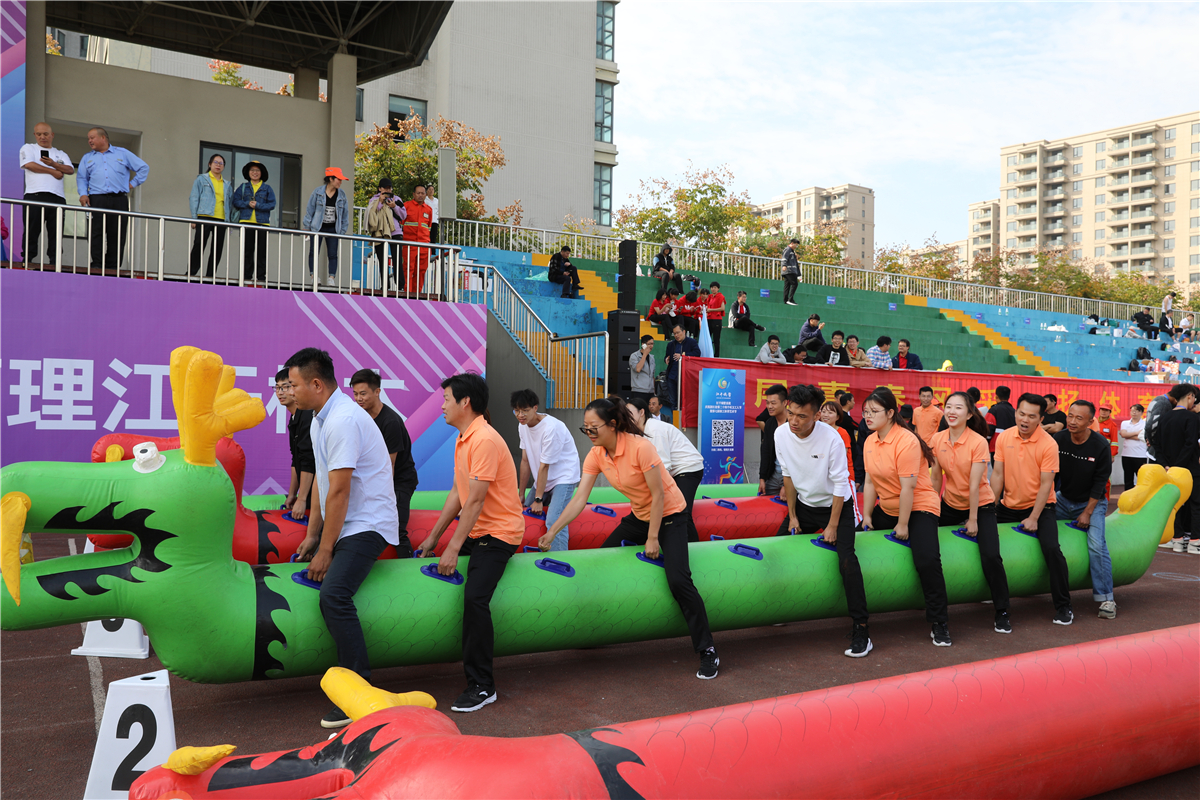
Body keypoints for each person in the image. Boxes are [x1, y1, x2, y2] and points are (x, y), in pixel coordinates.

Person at [540, 397, 720, 679]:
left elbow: (659, 495)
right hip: (639, 516)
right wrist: (552, 530)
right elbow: (579, 499)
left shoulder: (641, 448)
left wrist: (652, 537)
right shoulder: (596, 454)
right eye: (585, 428)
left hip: (670, 516)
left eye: (594, 427)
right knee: (601, 561)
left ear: (612, 425)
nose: (589, 433)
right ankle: (600, 630)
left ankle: (707, 649)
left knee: (678, 580)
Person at [287, 348, 398, 728]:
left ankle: (360, 690)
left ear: (316, 384)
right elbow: (322, 483)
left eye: (294, 385)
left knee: (334, 595)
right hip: (346, 522)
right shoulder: (319, 419)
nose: (290, 391)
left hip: (368, 523)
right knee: (320, 579)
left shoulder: (343, 420)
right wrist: (312, 535)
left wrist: (326, 550)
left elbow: (340, 491)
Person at [418, 374, 525, 712]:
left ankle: (482, 686)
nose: (442, 405)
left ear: (465, 402)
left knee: (476, 598)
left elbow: (475, 501)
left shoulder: (484, 439)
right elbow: (458, 492)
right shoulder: (464, 437)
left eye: (446, 399)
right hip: (477, 531)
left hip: (499, 533)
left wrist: (453, 548)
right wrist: (434, 538)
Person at [774, 385, 870, 656]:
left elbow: (841, 484)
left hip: (836, 506)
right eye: (791, 413)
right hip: (805, 505)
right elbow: (788, 475)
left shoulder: (832, 439)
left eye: (802, 416)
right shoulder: (781, 433)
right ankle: (780, 608)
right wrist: (793, 516)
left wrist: (832, 525)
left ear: (817, 416)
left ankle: (861, 627)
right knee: (777, 549)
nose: (794, 421)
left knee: (847, 561)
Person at [860, 388, 951, 646]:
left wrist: (902, 524)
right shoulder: (869, 441)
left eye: (874, 411)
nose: (868, 416)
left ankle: (939, 622)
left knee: (927, 559)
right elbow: (869, 482)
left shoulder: (906, 440)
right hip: (889, 506)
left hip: (919, 506)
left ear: (890, 413)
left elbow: (908, 489)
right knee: (853, 541)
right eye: (865, 412)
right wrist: (867, 516)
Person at [930, 392, 1012, 633]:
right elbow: (936, 478)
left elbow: (975, 485)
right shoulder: (937, 439)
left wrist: (973, 519)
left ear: (969, 414)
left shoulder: (978, 442)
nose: (951, 411)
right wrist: (932, 509)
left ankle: (1002, 610)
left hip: (981, 504)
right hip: (950, 503)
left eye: (958, 408)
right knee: (926, 544)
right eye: (948, 406)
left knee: (991, 556)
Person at [991, 393, 1072, 625]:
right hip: (1008, 505)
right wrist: (989, 507)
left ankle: (1064, 605)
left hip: (1040, 507)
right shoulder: (1004, 437)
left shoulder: (1049, 444)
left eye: (1032, 416)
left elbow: (1047, 485)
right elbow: (997, 475)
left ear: (1041, 419)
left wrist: (1034, 517)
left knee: (1052, 549)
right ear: (1015, 412)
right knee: (988, 546)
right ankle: (998, 602)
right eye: (1021, 414)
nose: (1025, 420)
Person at [1053, 400, 1116, 619]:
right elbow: (1052, 474)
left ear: (1090, 422)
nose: (1072, 421)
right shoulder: (1059, 439)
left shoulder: (1100, 445)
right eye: (1070, 415)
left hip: (1092, 502)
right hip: (1063, 499)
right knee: (1038, 532)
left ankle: (1106, 598)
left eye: (1079, 418)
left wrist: (1087, 512)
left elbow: (1100, 483)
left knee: (1097, 546)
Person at [350, 369, 418, 558]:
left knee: (397, 530)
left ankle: (408, 567)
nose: (358, 398)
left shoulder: (390, 422)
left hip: (398, 482)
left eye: (363, 393)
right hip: (373, 480)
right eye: (355, 394)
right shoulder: (360, 417)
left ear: (377, 392)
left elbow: (389, 466)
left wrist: (381, 497)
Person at [627, 396, 705, 542]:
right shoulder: (640, 432)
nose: (627, 417)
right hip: (676, 470)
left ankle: (692, 546)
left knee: (681, 511)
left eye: (630, 413)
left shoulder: (654, 429)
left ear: (642, 412)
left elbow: (663, 464)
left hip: (688, 468)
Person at [511, 389, 580, 552]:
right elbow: (525, 461)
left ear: (535, 408)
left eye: (525, 410)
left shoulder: (551, 427)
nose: (520, 415)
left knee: (554, 520)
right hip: (543, 478)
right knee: (524, 511)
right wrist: (521, 494)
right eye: (516, 411)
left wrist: (538, 499)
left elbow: (544, 466)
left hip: (563, 477)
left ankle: (560, 559)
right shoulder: (523, 426)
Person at [76, 126, 149, 274]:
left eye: (92, 137)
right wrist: (83, 194)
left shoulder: (122, 153)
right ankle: (97, 264)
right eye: (88, 138)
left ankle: (112, 267)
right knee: (95, 232)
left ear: (103, 138)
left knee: (117, 233)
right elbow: (82, 178)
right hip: (96, 199)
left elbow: (143, 168)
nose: (89, 141)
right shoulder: (87, 158)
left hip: (119, 199)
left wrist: (132, 184)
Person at [19, 122, 74, 267]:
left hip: (57, 197)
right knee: (31, 230)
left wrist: (54, 164)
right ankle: (28, 259)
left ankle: (55, 262)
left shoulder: (60, 153)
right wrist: (53, 171)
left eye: (45, 134)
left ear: (52, 135)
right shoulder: (29, 148)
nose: (42, 137)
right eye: (39, 134)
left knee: (56, 232)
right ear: (34, 135)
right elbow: (29, 164)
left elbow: (70, 170)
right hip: (34, 195)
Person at [1155, 385, 1200, 553]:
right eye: (1194, 397)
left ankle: (1178, 540)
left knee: (1176, 504)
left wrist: (1167, 465)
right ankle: (1195, 541)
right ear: (1189, 396)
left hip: (1170, 470)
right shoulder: (1191, 418)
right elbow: (1190, 444)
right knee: (1196, 504)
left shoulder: (1164, 417)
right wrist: (1179, 465)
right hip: (1190, 470)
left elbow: (1156, 444)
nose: (1194, 401)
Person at [276, 368, 315, 522]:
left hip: (319, 492)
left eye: (285, 387)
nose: (280, 392)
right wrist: (292, 494)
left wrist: (302, 499)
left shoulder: (308, 416)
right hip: (308, 491)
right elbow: (296, 460)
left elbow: (308, 461)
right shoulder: (294, 418)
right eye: (277, 387)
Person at [187, 154, 234, 278]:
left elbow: (229, 204)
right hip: (204, 216)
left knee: (217, 249)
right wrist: (194, 218)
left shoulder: (227, 184)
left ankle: (210, 275)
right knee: (198, 244)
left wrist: (229, 222)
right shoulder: (202, 179)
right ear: (210, 164)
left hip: (221, 219)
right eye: (215, 162)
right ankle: (191, 273)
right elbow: (194, 198)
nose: (218, 165)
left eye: (221, 163)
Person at [303, 168, 350, 287]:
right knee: (314, 252)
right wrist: (307, 227)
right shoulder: (318, 192)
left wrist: (342, 231)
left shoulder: (342, 195)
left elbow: (345, 215)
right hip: (317, 227)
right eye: (338, 179)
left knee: (333, 254)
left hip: (334, 228)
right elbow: (310, 210)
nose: (340, 182)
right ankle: (314, 277)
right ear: (331, 179)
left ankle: (331, 278)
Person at [230, 161, 276, 284]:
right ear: (248, 173)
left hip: (263, 224)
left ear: (261, 173)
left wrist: (258, 205)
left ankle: (261, 278)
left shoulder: (267, 188)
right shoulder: (243, 187)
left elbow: (272, 204)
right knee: (247, 251)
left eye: (257, 170)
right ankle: (246, 277)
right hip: (246, 223)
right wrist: (247, 204)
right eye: (252, 170)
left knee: (262, 252)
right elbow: (235, 201)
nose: (254, 172)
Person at [364, 177, 405, 291]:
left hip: (395, 232)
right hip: (380, 233)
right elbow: (371, 214)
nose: (388, 190)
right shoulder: (374, 200)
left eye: (389, 188)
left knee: (397, 259)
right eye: (385, 188)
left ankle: (400, 286)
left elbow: (403, 215)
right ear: (380, 189)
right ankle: (385, 285)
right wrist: (380, 202)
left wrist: (394, 207)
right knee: (382, 260)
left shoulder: (396, 199)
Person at [401, 184, 435, 294]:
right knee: (407, 269)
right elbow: (401, 224)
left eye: (422, 193)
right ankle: (407, 294)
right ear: (413, 194)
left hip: (424, 245)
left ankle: (416, 295)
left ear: (425, 195)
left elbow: (429, 227)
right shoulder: (406, 206)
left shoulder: (429, 210)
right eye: (418, 193)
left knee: (421, 271)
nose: (420, 195)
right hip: (409, 244)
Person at [662, 322, 700, 418]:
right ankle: (675, 420)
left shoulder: (692, 342)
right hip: (672, 376)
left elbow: (697, 353)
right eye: (674, 333)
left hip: (685, 376)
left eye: (678, 332)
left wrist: (683, 356)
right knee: (672, 401)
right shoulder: (671, 344)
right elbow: (666, 356)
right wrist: (666, 359)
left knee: (684, 400)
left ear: (684, 332)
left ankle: (683, 420)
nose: (676, 335)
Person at [757, 383, 789, 497]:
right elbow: (765, 451)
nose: (769, 406)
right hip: (773, 476)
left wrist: (787, 484)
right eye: (767, 403)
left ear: (785, 403)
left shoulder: (794, 423)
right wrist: (762, 478)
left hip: (791, 477)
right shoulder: (770, 423)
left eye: (773, 403)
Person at [818, 401, 856, 484]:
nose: (826, 415)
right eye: (823, 412)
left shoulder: (842, 433)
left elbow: (841, 458)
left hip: (843, 476)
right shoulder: (817, 431)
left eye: (830, 413)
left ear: (838, 417)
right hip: (823, 476)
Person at [1119, 404, 1147, 489]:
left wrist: (1128, 435)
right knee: (1128, 478)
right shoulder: (1125, 423)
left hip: (1140, 455)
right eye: (1132, 410)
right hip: (1126, 454)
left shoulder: (1145, 424)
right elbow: (1123, 434)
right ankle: (1128, 495)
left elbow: (1143, 437)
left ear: (1141, 412)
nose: (1134, 412)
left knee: (1141, 478)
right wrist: (1137, 433)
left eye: (1136, 411)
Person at [989, 385, 1016, 460]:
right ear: (1009, 397)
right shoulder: (1014, 411)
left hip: (996, 446)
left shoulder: (993, 410)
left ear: (996, 397)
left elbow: (989, 428)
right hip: (1011, 445)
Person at [629, 335, 657, 404]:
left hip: (650, 391)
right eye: (649, 344)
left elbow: (652, 375)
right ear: (643, 344)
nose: (651, 346)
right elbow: (638, 369)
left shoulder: (652, 358)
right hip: (639, 390)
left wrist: (654, 390)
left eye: (652, 344)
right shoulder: (634, 356)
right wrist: (644, 355)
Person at [706, 281, 727, 357]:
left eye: (715, 287)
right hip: (709, 318)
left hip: (717, 319)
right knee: (708, 338)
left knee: (716, 339)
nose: (713, 289)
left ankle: (716, 355)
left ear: (718, 288)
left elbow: (722, 308)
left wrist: (711, 310)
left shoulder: (720, 296)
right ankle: (708, 353)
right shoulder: (710, 297)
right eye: (712, 287)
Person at [780, 238, 800, 305]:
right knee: (795, 284)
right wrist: (784, 265)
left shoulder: (792, 251)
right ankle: (790, 299)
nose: (796, 246)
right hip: (789, 270)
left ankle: (786, 300)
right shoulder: (788, 249)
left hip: (791, 270)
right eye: (795, 245)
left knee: (787, 285)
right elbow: (784, 258)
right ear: (792, 243)